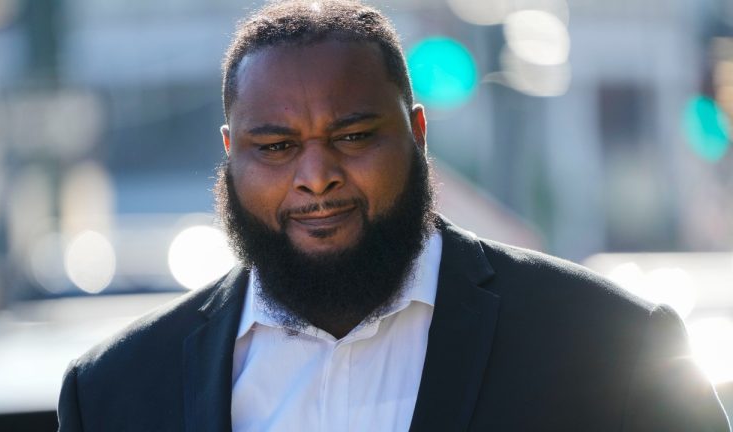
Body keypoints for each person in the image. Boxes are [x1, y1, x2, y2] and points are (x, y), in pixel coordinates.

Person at [57, 1, 731, 431]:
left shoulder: (613, 346)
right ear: (231, 154)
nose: (316, 176)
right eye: (276, 146)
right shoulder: (115, 393)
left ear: (417, 133)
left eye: (352, 137)